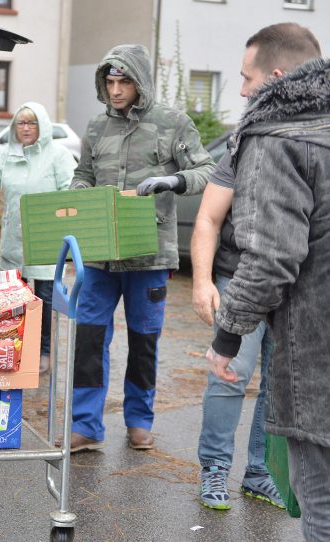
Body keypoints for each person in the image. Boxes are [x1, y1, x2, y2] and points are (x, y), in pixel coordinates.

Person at [192, 23, 321, 512]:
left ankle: (258, 472)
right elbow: (207, 217)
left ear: (278, 76)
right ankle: (214, 472)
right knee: (229, 375)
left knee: (277, 383)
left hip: (298, 290)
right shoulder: (245, 141)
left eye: (247, 78)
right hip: (238, 277)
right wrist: (203, 281)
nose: (242, 90)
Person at [63, 44, 214, 453]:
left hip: (149, 252)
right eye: (109, 82)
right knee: (91, 338)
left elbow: (206, 169)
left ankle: (139, 421)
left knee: (144, 341)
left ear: (140, 81)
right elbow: (84, 174)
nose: (115, 90)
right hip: (99, 254)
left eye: (123, 81)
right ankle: (86, 425)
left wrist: (172, 182)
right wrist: (79, 191)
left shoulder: (172, 123)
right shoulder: (96, 127)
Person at [0, 102, 76, 374]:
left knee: (43, 301)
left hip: (46, 241)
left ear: (42, 126)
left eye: (32, 123)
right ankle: (16, 348)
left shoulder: (58, 155)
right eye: (21, 123)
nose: (26, 128)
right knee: (15, 300)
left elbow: (71, 191)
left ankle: (44, 352)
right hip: (14, 241)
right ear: (14, 127)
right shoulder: (7, 154)